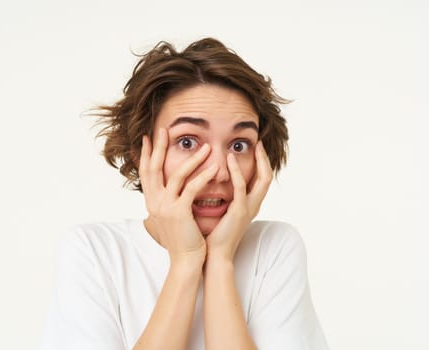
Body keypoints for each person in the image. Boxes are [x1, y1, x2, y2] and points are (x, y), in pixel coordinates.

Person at [40, 38, 328, 350]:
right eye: (188, 142)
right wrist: (186, 262)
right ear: (141, 152)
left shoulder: (273, 248)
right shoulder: (95, 253)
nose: (218, 170)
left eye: (239, 145)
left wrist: (219, 262)